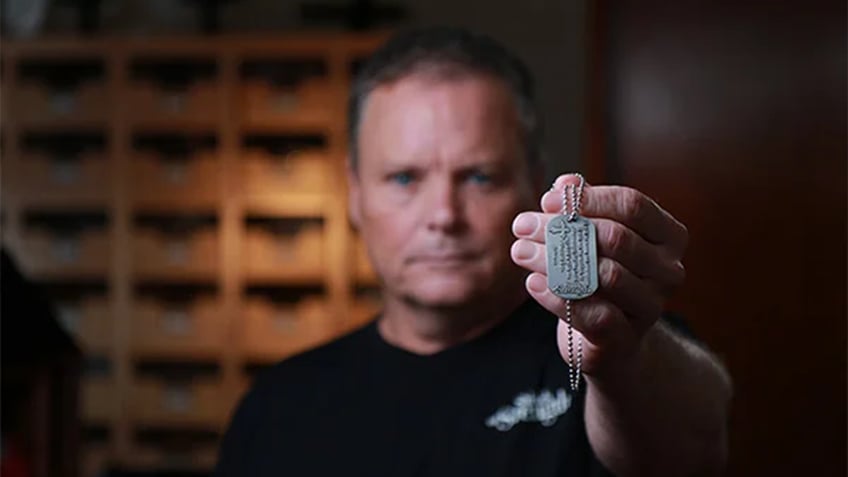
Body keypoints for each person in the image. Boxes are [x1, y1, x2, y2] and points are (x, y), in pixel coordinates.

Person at [215, 26, 732, 477]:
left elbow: (691, 447)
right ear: (355, 193)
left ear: (533, 183)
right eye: (403, 178)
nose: (444, 215)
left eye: (479, 176)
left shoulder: (615, 351)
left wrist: (622, 359)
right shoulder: (277, 409)